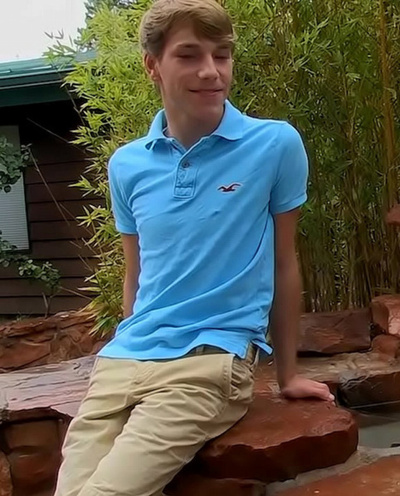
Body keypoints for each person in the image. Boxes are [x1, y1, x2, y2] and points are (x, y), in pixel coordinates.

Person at [54, 1, 335, 495]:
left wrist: (288, 374)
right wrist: (128, 342)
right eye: (189, 56)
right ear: (152, 66)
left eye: (221, 55)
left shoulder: (274, 144)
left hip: (210, 361)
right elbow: (136, 273)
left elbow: (284, 263)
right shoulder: (126, 165)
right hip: (123, 363)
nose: (211, 71)